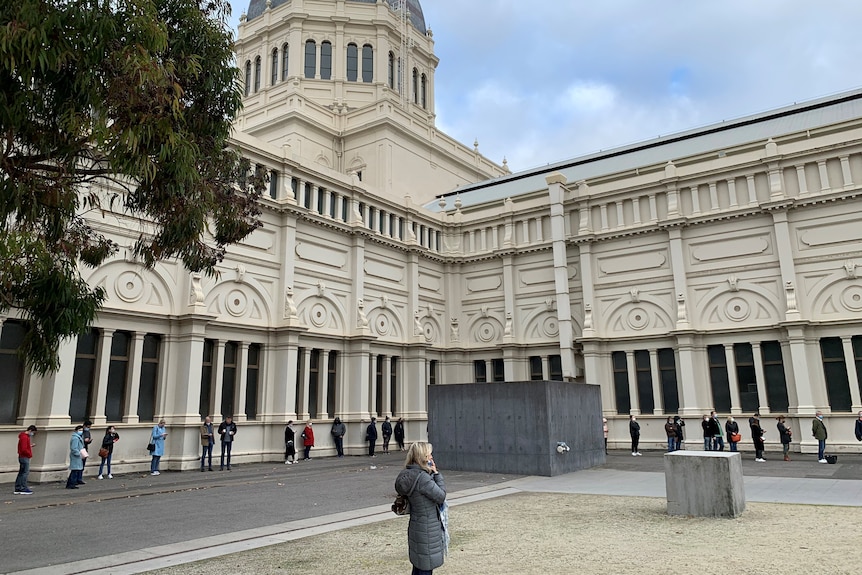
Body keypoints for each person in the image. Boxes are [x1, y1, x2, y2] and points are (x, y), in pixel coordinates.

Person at [394, 442, 447, 575]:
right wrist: (436, 473)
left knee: (419, 564)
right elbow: (441, 496)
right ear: (423, 457)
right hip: (428, 528)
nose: (431, 457)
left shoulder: (407, 474)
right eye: (429, 454)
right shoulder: (423, 479)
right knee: (425, 567)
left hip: (416, 525)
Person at [14, 425, 37, 495]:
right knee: (25, 473)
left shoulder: (23, 437)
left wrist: (29, 447)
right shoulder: (25, 437)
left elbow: (23, 447)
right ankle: (23, 488)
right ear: (30, 430)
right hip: (24, 457)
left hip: (22, 456)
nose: (32, 434)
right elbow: (24, 449)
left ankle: (18, 487)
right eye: (33, 432)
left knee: (21, 472)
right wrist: (29, 454)